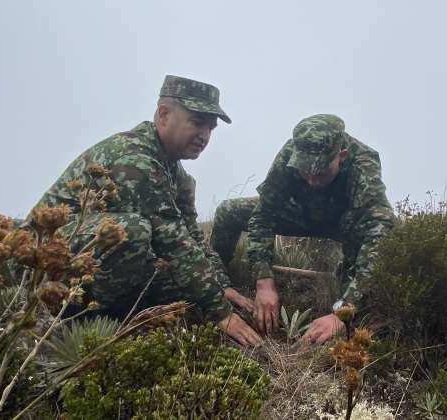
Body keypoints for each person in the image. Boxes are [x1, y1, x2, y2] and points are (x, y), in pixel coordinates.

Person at [33, 75, 261, 346]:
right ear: (163, 115)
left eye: (211, 128)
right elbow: (174, 242)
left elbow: (192, 238)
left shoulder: (178, 174)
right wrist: (220, 312)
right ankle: (81, 321)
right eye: (197, 123)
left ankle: (116, 311)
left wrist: (222, 286)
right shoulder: (135, 159)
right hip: (40, 262)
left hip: (93, 265)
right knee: (133, 231)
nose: (204, 136)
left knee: (186, 290)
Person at [211, 114, 395, 344]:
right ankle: (217, 283)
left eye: (320, 172)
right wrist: (264, 282)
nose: (311, 180)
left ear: (342, 156)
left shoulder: (363, 162)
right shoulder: (290, 154)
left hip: (341, 223)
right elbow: (263, 214)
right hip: (298, 216)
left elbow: (379, 227)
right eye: (304, 171)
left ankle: (347, 308)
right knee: (229, 210)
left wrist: (344, 310)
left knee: (376, 223)